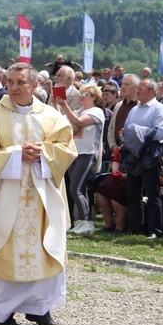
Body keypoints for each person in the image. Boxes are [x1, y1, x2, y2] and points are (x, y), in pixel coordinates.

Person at [0, 62, 77, 325]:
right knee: (4, 248)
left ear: (35, 85)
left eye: (21, 82)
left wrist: (44, 154)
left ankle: (40, 308)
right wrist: (16, 154)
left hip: (42, 198)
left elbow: (67, 148)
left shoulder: (51, 116)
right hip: (5, 197)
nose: (14, 88)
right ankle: (3, 312)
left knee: (43, 247)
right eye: (11, 82)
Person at [53, 83, 105, 235]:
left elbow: (78, 122)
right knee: (78, 189)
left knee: (75, 188)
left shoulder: (97, 112)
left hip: (87, 153)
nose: (81, 97)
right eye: (80, 94)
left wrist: (64, 105)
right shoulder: (78, 110)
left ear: (94, 97)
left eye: (85, 95)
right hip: (74, 153)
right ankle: (81, 220)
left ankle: (87, 221)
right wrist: (56, 103)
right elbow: (59, 121)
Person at [121, 79, 163, 239]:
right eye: (138, 88)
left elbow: (161, 133)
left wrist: (137, 131)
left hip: (150, 154)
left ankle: (155, 229)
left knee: (152, 193)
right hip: (133, 155)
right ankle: (135, 227)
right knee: (133, 193)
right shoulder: (134, 110)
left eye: (141, 88)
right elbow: (126, 132)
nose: (138, 91)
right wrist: (125, 134)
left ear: (152, 91)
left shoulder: (159, 109)